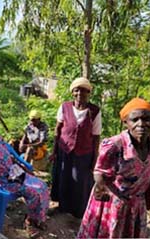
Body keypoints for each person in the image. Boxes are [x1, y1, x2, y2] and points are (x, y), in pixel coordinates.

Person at [77, 97, 150, 238]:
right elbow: (100, 172)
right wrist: (100, 187)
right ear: (125, 122)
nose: (141, 124)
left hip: (137, 205)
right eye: (135, 119)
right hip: (112, 203)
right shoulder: (115, 145)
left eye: (146, 119)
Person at [0, 119, 49, 238]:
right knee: (33, 192)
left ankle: (37, 217)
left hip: (16, 172)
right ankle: (29, 221)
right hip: (4, 180)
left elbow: (10, 156)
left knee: (42, 186)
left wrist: (23, 167)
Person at [49, 77, 101, 218]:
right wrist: (54, 151)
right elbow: (57, 130)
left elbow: (96, 137)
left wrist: (94, 160)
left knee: (80, 182)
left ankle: (78, 212)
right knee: (63, 178)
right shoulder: (65, 107)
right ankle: (62, 207)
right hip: (64, 150)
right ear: (73, 93)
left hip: (84, 153)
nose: (80, 94)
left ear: (89, 93)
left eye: (84, 91)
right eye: (77, 90)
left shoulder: (94, 111)